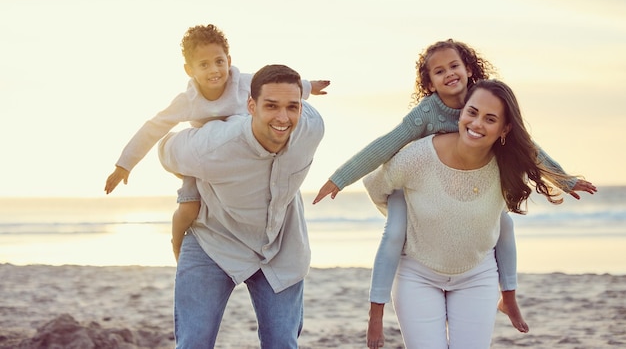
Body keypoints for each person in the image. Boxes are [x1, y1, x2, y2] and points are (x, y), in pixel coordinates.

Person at [312, 39, 596, 347]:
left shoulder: (485, 99)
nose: (449, 74)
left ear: (469, 69)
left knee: (505, 223)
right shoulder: (425, 114)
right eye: (439, 71)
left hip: (468, 210)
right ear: (429, 83)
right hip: (414, 185)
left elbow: (530, 150)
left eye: (454, 66)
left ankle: (509, 296)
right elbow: (386, 145)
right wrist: (340, 178)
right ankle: (376, 312)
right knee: (394, 232)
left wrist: (565, 181)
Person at [363, 79, 581, 348]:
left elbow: (503, 224)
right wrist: (403, 215)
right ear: (461, 113)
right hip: (417, 274)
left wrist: (566, 181)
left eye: (490, 119)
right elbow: (376, 186)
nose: (477, 124)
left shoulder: (508, 165)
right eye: (472, 112)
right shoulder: (419, 156)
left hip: (477, 276)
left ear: (505, 129)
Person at [103, 24, 330, 261]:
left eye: (219, 61)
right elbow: (154, 127)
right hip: (204, 159)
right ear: (189, 70)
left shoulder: (244, 84)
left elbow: (280, 87)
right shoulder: (186, 101)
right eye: (204, 65)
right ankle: (178, 245)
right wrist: (125, 164)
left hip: (242, 157)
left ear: (229, 60)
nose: (215, 70)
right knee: (189, 208)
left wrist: (309, 87)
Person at [158, 64, 324, 348]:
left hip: (281, 246)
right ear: (251, 105)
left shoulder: (312, 128)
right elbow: (165, 149)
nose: (283, 118)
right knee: (193, 343)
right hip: (214, 239)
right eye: (271, 106)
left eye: (292, 107)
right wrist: (196, 178)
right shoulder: (212, 148)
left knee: (282, 343)